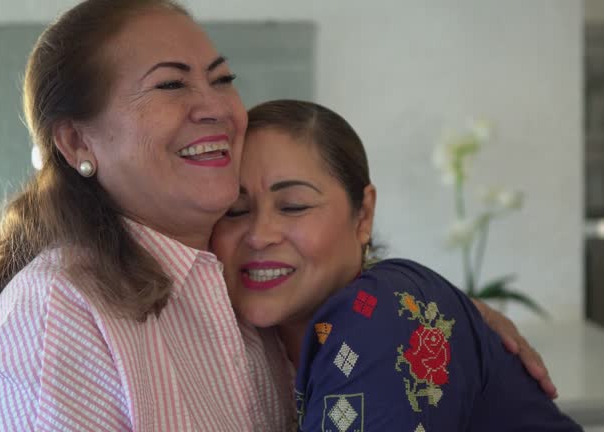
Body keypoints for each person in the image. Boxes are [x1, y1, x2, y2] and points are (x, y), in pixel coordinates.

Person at [0, 1, 553, 430]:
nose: (214, 107)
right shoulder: (58, 320)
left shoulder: (239, 291)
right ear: (77, 144)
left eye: (222, 79)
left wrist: (446, 316)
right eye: (170, 86)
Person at [211, 99, 581, 430]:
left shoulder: (376, 316)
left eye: (293, 206)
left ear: (364, 214)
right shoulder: (248, 336)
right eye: (235, 211)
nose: (259, 235)